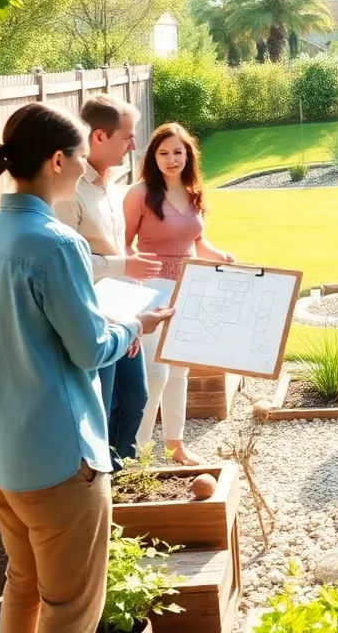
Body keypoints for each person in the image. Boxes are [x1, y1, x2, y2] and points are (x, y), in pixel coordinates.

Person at [0, 102, 172, 631]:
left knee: (25, 585)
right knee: (72, 607)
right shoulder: (58, 242)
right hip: (56, 458)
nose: (87, 167)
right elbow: (89, 348)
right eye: (81, 156)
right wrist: (135, 328)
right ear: (58, 160)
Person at [55, 94, 162, 468]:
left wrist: (131, 307)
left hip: (121, 311)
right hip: (91, 318)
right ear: (99, 136)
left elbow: (118, 250)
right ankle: (101, 486)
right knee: (102, 404)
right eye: (127, 137)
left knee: (135, 397)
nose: (135, 145)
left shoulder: (110, 183)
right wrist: (122, 267)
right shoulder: (69, 191)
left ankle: (124, 479)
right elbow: (66, 262)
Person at [124, 122, 235, 465]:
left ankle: (176, 446)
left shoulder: (193, 192)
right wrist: (133, 287)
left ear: (188, 155)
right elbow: (122, 246)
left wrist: (221, 257)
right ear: (152, 157)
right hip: (152, 292)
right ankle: (137, 453)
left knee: (180, 372)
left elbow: (197, 242)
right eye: (163, 153)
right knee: (155, 375)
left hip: (190, 289)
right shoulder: (139, 194)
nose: (172, 159)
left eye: (178, 152)